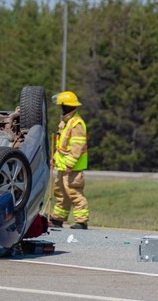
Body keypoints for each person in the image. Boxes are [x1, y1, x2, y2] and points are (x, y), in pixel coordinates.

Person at [49, 91, 89, 229]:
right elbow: (62, 146)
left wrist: (70, 163)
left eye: (61, 106)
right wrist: (54, 159)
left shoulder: (76, 123)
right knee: (61, 193)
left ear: (66, 106)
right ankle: (58, 219)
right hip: (62, 166)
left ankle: (82, 221)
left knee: (74, 192)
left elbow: (77, 146)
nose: (60, 108)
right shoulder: (66, 122)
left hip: (72, 168)